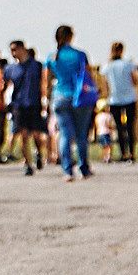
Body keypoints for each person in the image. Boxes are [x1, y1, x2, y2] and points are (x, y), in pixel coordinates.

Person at [43, 25, 96, 181]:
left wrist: (45, 99)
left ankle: (67, 170)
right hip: (79, 97)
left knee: (65, 134)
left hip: (59, 96)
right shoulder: (80, 55)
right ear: (70, 36)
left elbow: (46, 81)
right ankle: (83, 168)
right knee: (81, 135)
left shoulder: (51, 57)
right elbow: (89, 75)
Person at [2, 40, 45, 174]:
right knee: (23, 135)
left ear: (22, 49)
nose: (13, 53)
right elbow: (4, 85)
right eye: (11, 50)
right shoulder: (10, 69)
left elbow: (42, 83)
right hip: (18, 105)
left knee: (37, 134)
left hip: (34, 103)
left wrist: (44, 100)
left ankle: (38, 153)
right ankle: (27, 163)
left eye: (15, 49)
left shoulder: (36, 66)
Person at [102, 41, 138, 163]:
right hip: (129, 98)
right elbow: (135, 80)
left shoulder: (108, 66)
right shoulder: (128, 64)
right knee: (130, 127)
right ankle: (131, 153)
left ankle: (123, 153)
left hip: (114, 99)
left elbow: (105, 85)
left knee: (119, 128)